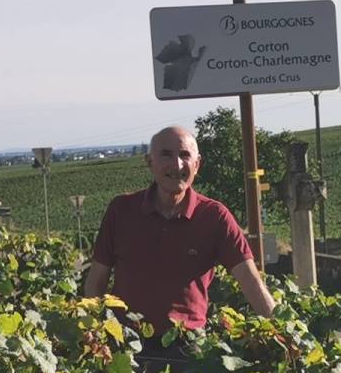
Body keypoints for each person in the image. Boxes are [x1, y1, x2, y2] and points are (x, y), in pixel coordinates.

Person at [84, 125, 275, 341]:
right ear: (150, 162)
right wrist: (94, 333)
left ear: (197, 164)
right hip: (127, 345)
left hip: (188, 348)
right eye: (166, 154)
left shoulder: (215, 217)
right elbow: (96, 282)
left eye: (185, 155)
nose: (177, 164)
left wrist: (280, 332)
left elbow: (250, 282)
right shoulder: (121, 211)